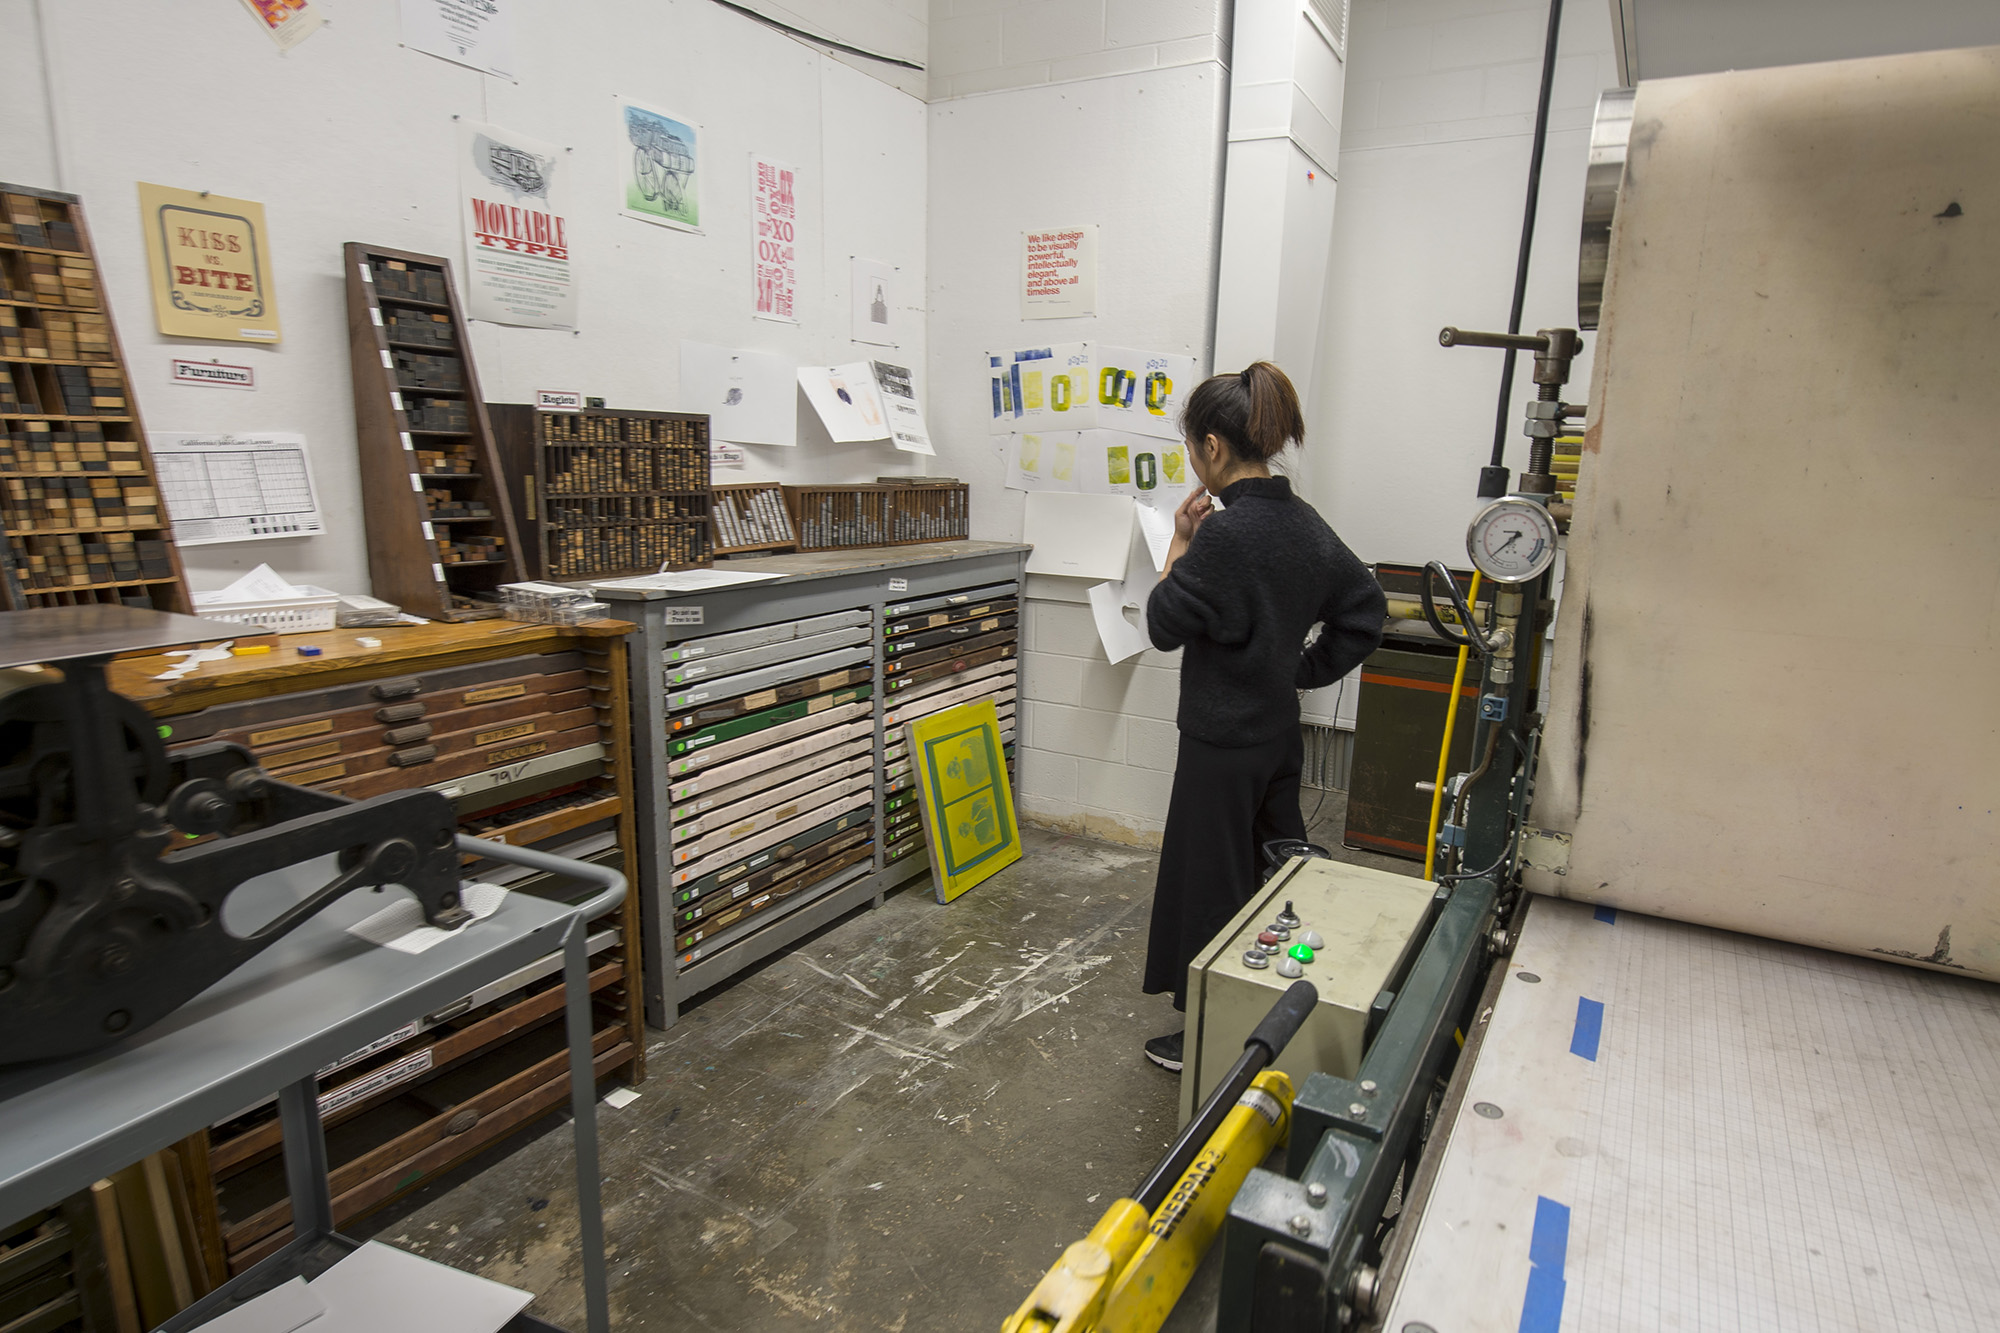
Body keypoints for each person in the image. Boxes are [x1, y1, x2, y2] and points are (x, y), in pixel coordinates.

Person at [1139, 361, 1387, 1071]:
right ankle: (1291, 1006)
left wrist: (1181, 541)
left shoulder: (1225, 535)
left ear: (1213, 447)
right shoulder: (1305, 525)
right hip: (1279, 735)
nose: (1195, 463)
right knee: (1281, 872)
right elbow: (1364, 612)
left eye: (1192, 449)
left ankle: (1211, 1035)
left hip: (1220, 740)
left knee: (1209, 883)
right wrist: (1295, 671)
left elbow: (1161, 622)